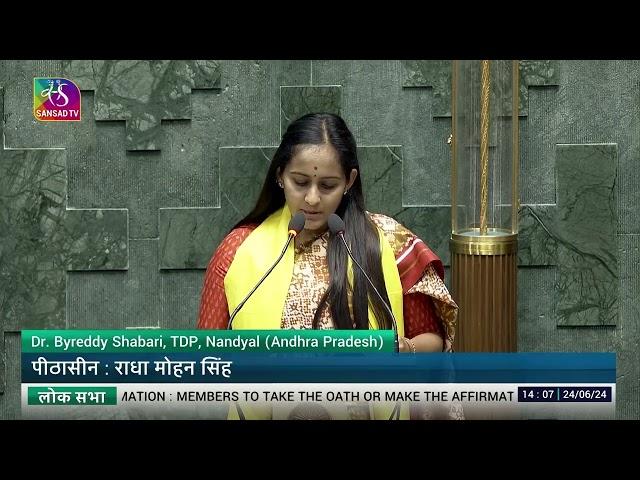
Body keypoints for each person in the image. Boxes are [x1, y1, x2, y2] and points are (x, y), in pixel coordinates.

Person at [197, 113, 459, 419]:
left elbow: (433, 341)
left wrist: (403, 351)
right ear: (280, 175)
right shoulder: (238, 250)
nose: (312, 198)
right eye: (300, 182)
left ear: (349, 180)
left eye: (327, 185)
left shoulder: (387, 242)